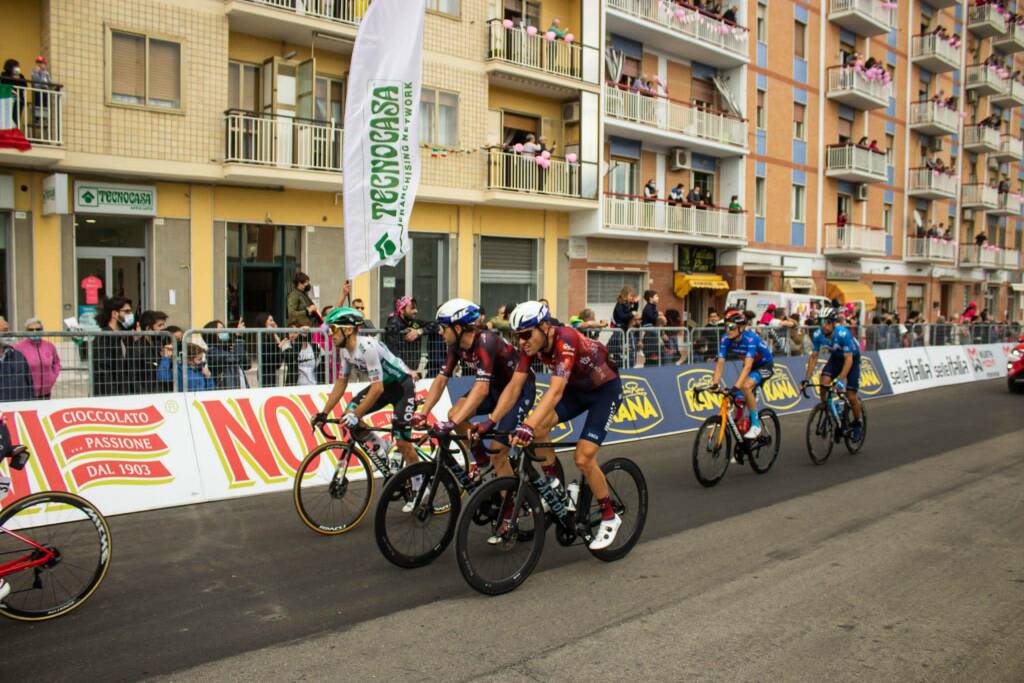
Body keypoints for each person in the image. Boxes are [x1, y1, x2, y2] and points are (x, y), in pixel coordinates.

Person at [503, 301, 623, 550]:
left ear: (545, 327)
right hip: (577, 391)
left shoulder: (565, 339)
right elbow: (514, 387)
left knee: (583, 458)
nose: (521, 342)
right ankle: (555, 484)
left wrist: (527, 425)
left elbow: (555, 391)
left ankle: (610, 515)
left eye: (526, 335)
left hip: (604, 391)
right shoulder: (530, 347)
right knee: (537, 428)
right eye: (516, 337)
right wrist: (494, 421)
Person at [415, 300, 537, 494]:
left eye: (443, 328)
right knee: (454, 413)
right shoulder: (455, 345)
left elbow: (481, 389)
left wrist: (451, 424)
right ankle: (480, 460)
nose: (439, 332)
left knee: (498, 452)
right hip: (496, 388)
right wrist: (423, 413)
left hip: (519, 391)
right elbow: (440, 380)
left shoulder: (486, 341)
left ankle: (509, 507)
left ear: (457, 327)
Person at [310, 307, 420, 484]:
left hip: (402, 387)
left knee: (403, 443)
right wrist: (324, 413)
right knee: (348, 414)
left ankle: (420, 485)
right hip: (384, 386)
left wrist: (357, 414)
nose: (330, 334)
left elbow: (377, 389)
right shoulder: (345, 350)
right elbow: (341, 383)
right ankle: (380, 445)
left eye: (333, 329)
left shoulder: (366, 347)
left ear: (347, 330)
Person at [710, 309, 774, 440]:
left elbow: (748, 366)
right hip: (749, 366)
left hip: (764, 365)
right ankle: (743, 441)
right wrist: (715, 384)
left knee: (745, 387)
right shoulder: (725, 339)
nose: (728, 329)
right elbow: (720, 363)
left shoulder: (751, 339)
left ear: (741, 327)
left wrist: (736, 387)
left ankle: (756, 425)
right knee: (737, 401)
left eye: (731, 326)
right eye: (726, 326)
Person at [802, 307, 864, 441]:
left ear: (833, 323)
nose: (823, 326)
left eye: (826, 322)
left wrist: (840, 380)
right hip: (836, 358)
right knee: (823, 381)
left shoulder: (843, 333)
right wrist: (806, 379)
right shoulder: (818, 335)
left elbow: (849, 360)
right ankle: (828, 408)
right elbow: (813, 357)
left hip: (852, 359)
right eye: (821, 322)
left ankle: (858, 423)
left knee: (851, 395)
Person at [94, 297, 135, 396]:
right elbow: (103, 371)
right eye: (127, 311)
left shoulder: (120, 336)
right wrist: (113, 395)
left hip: (121, 393)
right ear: (114, 314)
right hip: (109, 395)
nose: (130, 315)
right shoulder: (104, 337)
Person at [15, 318, 60, 399]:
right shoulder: (19, 347)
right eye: (31, 330)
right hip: (27, 392)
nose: (34, 332)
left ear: (42, 330)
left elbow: (56, 362)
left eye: (38, 329)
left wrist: (53, 377)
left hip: (46, 391)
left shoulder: (49, 346)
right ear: (26, 331)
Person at [384, 295, 428, 374]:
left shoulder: (413, 322)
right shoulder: (394, 322)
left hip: (411, 369)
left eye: (415, 308)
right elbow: (392, 352)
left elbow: (436, 326)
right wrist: (406, 370)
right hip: (398, 371)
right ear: (401, 310)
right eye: (412, 308)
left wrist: (419, 331)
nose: (416, 311)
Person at [204, 319, 250, 389]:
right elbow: (237, 358)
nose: (225, 331)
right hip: (228, 393)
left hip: (242, 391)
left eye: (224, 328)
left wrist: (237, 342)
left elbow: (247, 364)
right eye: (221, 329)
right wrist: (238, 338)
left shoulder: (230, 348)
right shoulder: (212, 352)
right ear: (212, 334)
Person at [0, 333, 33, 401]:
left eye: (6, 330)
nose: (7, 334)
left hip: (20, 403)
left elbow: (28, 380)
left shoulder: (19, 355)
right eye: (2, 331)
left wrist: (30, 398)